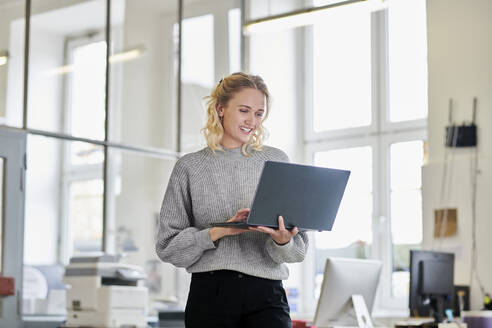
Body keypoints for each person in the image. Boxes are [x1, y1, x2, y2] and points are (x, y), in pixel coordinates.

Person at [155, 72, 308, 328]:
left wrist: (282, 241)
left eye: (259, 114)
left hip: (267, 295)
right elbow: (167, 247)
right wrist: (220, 231)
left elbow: (299, 250)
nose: (252, 121)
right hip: (211, 295)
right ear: (220, 109)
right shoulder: (190, 167)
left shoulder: (277, 161)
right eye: (244, 110)